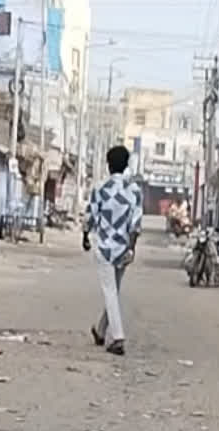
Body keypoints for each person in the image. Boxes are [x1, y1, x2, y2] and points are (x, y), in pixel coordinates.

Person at [83, 146, 143, 356]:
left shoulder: (100, 188)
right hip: (124, 247)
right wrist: (131, 249)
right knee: (113, 291)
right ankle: (100, 330)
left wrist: (85, 236)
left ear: (108, 165)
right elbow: (136, 224)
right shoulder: (134, 191)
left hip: (105, 248)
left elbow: (90, 216)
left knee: (110, 292)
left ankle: (117, 338)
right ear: (126, 165)